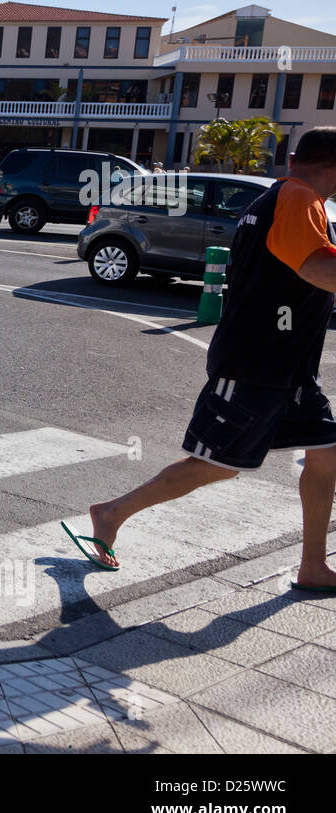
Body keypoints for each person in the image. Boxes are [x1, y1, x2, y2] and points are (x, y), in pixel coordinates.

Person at [79, 127, 336, 592]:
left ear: (296, 157)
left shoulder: (280, 197)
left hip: (291, 367)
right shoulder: (299, 199)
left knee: (327, 456)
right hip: (256, 364)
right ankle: (111, 512)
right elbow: (317, 268)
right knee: (216, 464)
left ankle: (312, 567)